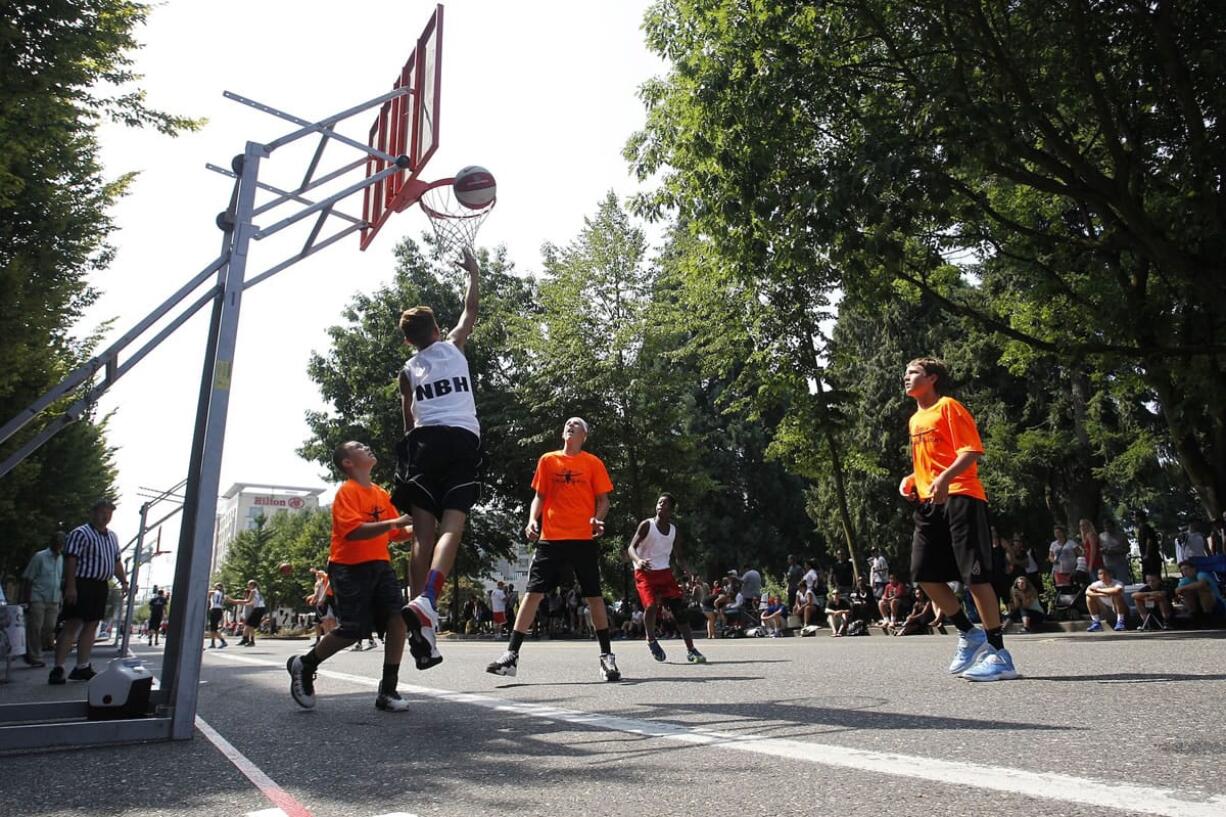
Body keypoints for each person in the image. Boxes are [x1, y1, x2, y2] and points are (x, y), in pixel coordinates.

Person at [898, 357, 1018, 681]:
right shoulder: (915, 420)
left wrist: (945, 478)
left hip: (962, 495)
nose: (906, 377)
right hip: (928, 502)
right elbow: (930, 463)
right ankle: (969, 632)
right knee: (923, 573)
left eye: (913, 373)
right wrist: (912, 479)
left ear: (933, 378)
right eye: (907, 373)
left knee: (975, 576)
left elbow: (971, 451)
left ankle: (999, 653)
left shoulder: (949, 407)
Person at [393, 247, 483, 670]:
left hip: (424, 446)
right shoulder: (454, 347)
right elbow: (470, 309)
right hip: (462, 439)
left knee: (420, 536)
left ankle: (421, 623)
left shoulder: (408, 370)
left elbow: (408, 420)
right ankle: (429, 597)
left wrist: (410, 459)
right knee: (454, 525)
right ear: (437, 328)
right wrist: (474, 272)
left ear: (409, 340)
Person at [486, 417, 619, 681]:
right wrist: (532, 519)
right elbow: (540, 496)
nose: (571, 425)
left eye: (577, 424)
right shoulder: (548, 460)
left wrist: (598, 519)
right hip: (551, 538)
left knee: (594, 596)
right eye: (568, 423)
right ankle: (511, 656)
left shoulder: (593, 463)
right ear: (563, 432)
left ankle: (607, 658)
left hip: (582, 538)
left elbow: (603, 500)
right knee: (533, 594)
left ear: (585, 435)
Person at [286, 440, 415, 712]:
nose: (368, 446)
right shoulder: (347, 492)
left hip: (381, 565)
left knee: (397, 619)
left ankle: (388, 690)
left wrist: (424, 525)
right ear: (347, 462)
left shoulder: (381, 493)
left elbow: (398, 534)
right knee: (353, 629)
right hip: (349, 567)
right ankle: (306, 664)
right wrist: (396, 523)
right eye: (359, 446)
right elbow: (354, 531)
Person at [50, 499, 129, 684]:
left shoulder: (112, 537)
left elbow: (116, 561)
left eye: (109, 513)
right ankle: (58, 667)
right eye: (102, 512)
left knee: (92, 625)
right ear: (93, 513)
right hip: (82, 582)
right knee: (73, 624)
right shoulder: (80, 533)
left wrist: (124, 581)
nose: (105, 517)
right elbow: (71, 560)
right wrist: (71, 586)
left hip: (101, 584)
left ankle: (82, 666)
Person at [626, 493, 706, 663]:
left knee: (680, 612)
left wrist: (690, 573)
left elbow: (679, 557)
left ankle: (691, 650)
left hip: (664, 573)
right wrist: (639, 561)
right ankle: (651, 639)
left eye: (665, 503)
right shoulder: (646, 525)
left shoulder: (673, 531)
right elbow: (631, 548)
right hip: (644, 572)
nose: (661, 505)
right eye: (659, 502)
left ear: (672, 509)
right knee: (652, 606)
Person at [21, 531, 64, 667]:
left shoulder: (62, 559)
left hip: (54, 599)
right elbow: (28, 578)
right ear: (52, 542)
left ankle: (33, 651)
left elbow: (59, 579)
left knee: (49, 627)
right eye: (58, 542)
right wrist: (27, 600)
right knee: (35, 627)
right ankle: (35, 656)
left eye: (62, 543)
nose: (60, 545)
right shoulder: (40, 557)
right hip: (38, 597)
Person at [1173, 560, 1225, 624]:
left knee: (1202, 590)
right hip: (1196, 605)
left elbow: (1201, 584)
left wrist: (1183, 588)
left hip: (1216, 603)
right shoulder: (1184, 581)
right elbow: (1177, 591)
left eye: (1186, 569)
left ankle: (1208, 617)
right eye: (1182, 570)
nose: (1185, 572)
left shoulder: (1201, 574)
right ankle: (1194, 616)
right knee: (1186, 593)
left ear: (1193, 569)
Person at [1085, 567, 1128, 632]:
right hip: (1103, 608)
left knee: (1117, 595)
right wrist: (1102, 594)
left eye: (1105, 574)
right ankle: (1096, 623)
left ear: (1110, 575)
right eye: (1100, 574)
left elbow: (1117, 590)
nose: (1103, 576)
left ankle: (1120, 622)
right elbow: (1087, 592)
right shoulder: (1096, 584)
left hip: (1116, 607)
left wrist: (1098, 590)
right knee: (1089, 597)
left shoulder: (1118, 583)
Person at [227, 581, 266, 647]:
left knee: (248, 625)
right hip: (260, 609)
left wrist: (233, 600)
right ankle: (250, 641)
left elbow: (247, 600)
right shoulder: (258, 592)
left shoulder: (253, 591)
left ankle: (246, 640)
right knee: (251, 626)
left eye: (249, 585)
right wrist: (239, 602)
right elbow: (251, 603)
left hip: (258, 609)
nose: (248, 586)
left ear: (252, 585)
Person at [1099, 519, 1131, 583]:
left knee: (1122, 583)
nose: (1107, 529)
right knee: (1110, 585)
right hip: (1107, 565)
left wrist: (1115, 551)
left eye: (1109, 527)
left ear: (1113, 526)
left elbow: (1127, 549)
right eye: (1106, 527)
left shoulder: (1121, 535)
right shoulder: (1101, 536)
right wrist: (1103, 550)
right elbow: (1098, 549)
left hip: (1120, 564)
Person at [1134, 510, 1162, 579]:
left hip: (1151, 557)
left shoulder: (1145, 527)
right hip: (1148, 557)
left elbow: (1149, 540)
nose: (1134, 519)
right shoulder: (1142, 528)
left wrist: (1147, 554)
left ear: (1139, 518)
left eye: (1135, 517)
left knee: (1152, 576)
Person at [207, 582, 228, 649]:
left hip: (215, 610)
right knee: (212, 628)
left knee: (214, 629)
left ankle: (223, 641)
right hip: (219, 610)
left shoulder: (215, 592)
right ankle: (213, 643)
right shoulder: (222, 594)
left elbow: (209, 593)